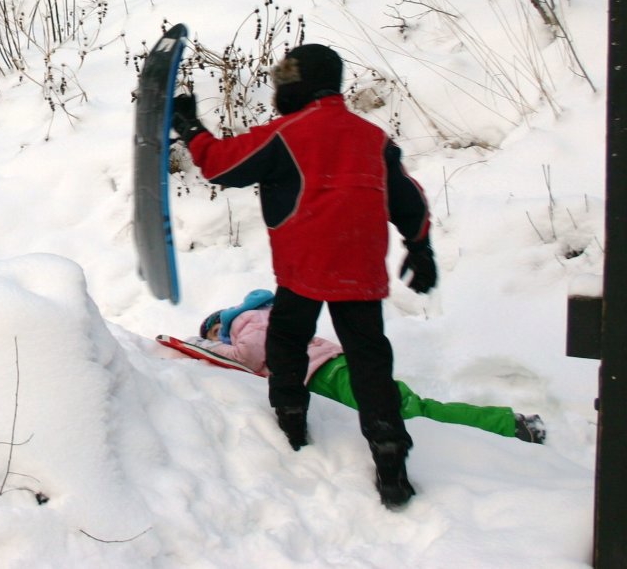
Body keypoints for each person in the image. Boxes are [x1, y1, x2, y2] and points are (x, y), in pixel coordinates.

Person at [172, 43, 438, 509]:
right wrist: (420, 246)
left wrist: (190, 127)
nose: (278, 92)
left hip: (305, 268)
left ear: (298, 85)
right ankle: (390, 457)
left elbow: (223, 164)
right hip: (360, 269)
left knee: (289, 340)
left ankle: (291, 422)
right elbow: (408, 198)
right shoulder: (372, 138)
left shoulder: (287, 133)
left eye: (282, 83)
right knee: (369, 360)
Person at [187, 291, 546, 444]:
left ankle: (510, 425)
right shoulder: (266, 315)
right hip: (336, 372)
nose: (221, 339)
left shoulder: (247, 320)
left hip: (331, 373)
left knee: (409, 411)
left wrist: (209, 348)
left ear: (225, 319)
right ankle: (508, 424)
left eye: (217, 331)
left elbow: (250, 354)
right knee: (415, 412)